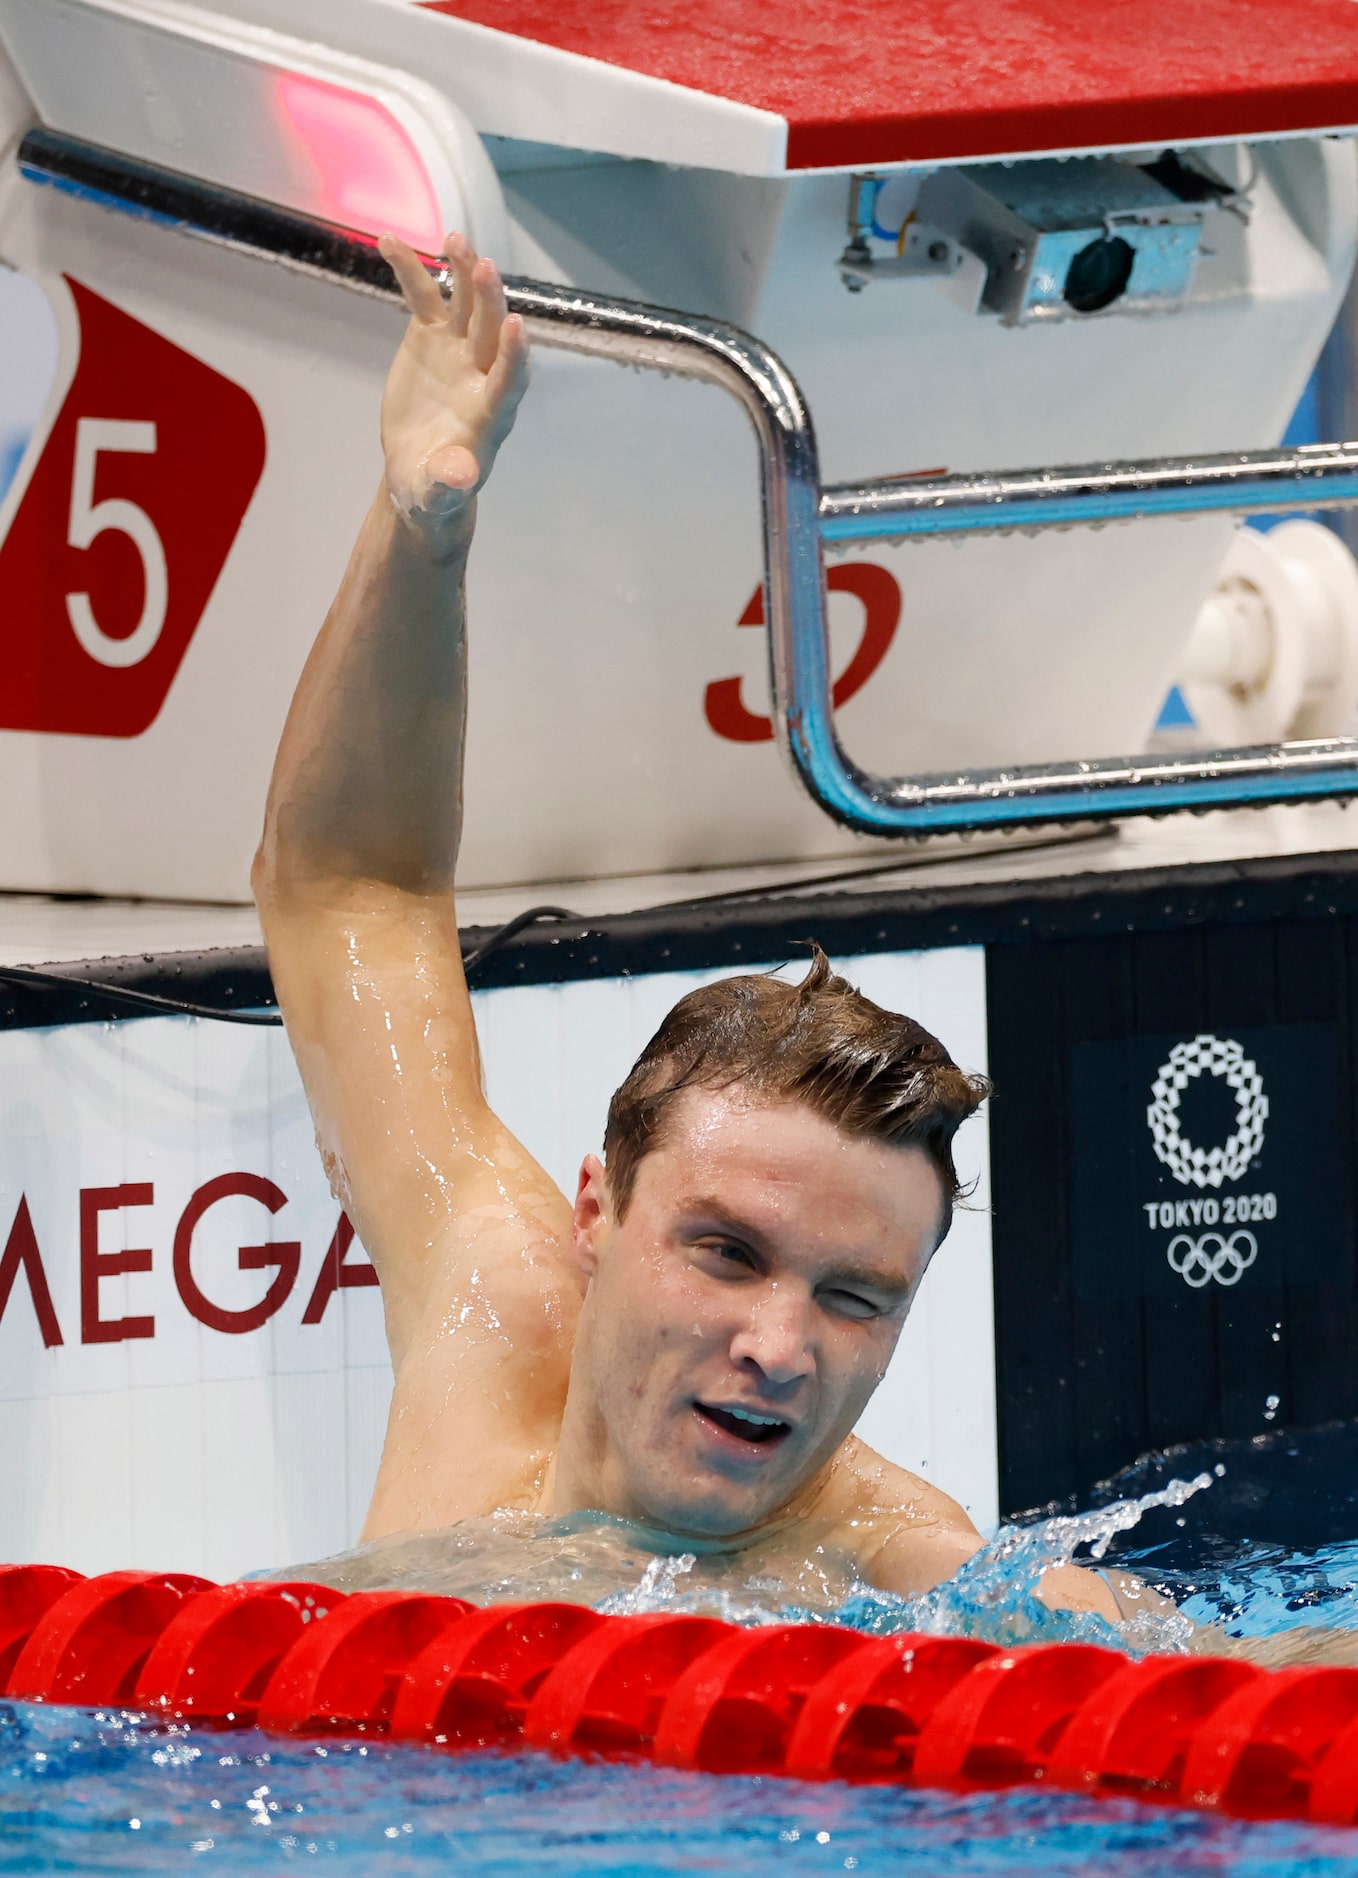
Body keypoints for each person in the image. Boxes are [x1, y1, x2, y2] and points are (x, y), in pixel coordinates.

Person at [251, 231, 1147, 1625]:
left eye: (856, 1298)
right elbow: (346, 886)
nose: (777, 1349)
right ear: (593, 1216)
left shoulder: (889, 1556)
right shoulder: (489, 1296)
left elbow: (1190, 1673)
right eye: (725, 1249)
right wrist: (421, 529)